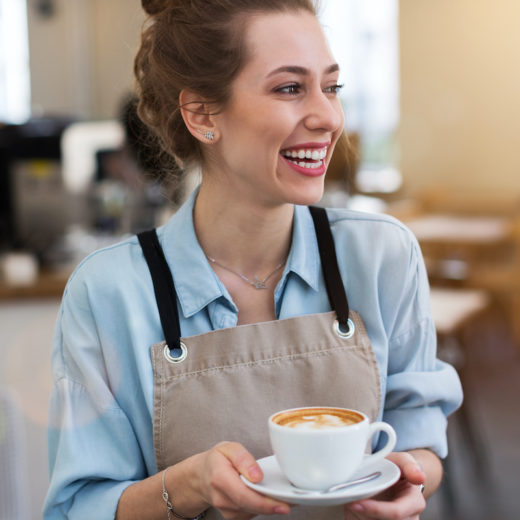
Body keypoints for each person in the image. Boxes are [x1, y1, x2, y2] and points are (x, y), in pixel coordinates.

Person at [43, 1, 463, 519]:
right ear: (201, 115)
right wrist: (187, 485)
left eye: (331, 87)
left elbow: (423, 440)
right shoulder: (108, 292)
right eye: (290, 88)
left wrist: (409, 478)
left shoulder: (382, 256)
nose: (329, 117)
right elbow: (78, 507)